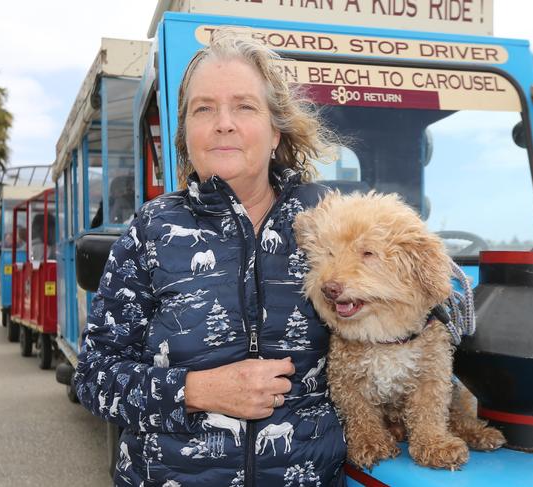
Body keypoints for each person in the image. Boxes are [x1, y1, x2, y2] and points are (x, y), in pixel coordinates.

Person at [75, 28, 347, 487]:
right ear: (186, 134)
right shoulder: (151, 229)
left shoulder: (335, 219)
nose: (224, 123)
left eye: (244, 106)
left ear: (275, 128)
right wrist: (197, 391)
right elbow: (94, 377)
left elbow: (407, 295)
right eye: (205, 109)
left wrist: (443, 296)